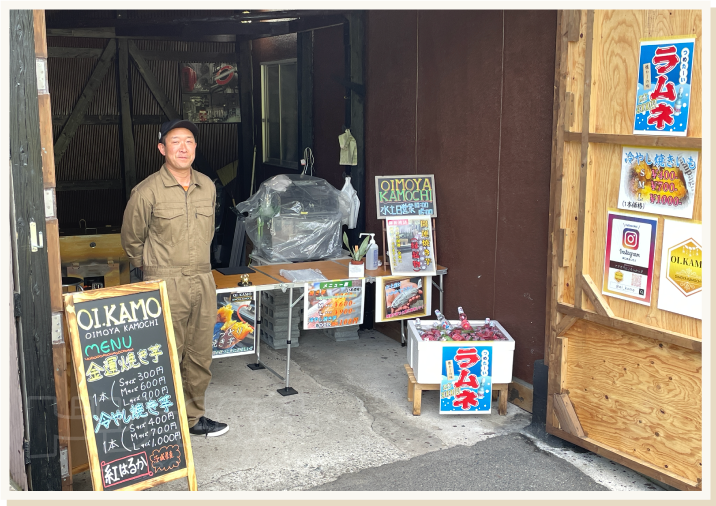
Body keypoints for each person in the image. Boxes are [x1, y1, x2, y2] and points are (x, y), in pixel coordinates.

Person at [121, 119, 229, 437]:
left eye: (189, 141)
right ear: (162, 149)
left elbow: (209, 233)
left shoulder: (208, 186)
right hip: (165, 281)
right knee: (164, 353)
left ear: (195, 147)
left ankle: (193, 418)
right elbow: (131, 241)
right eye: (175, 141)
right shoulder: (146, 192)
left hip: (202, 279)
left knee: (199, 354)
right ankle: (162, 421)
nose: (183, 147)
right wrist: (153, 273)